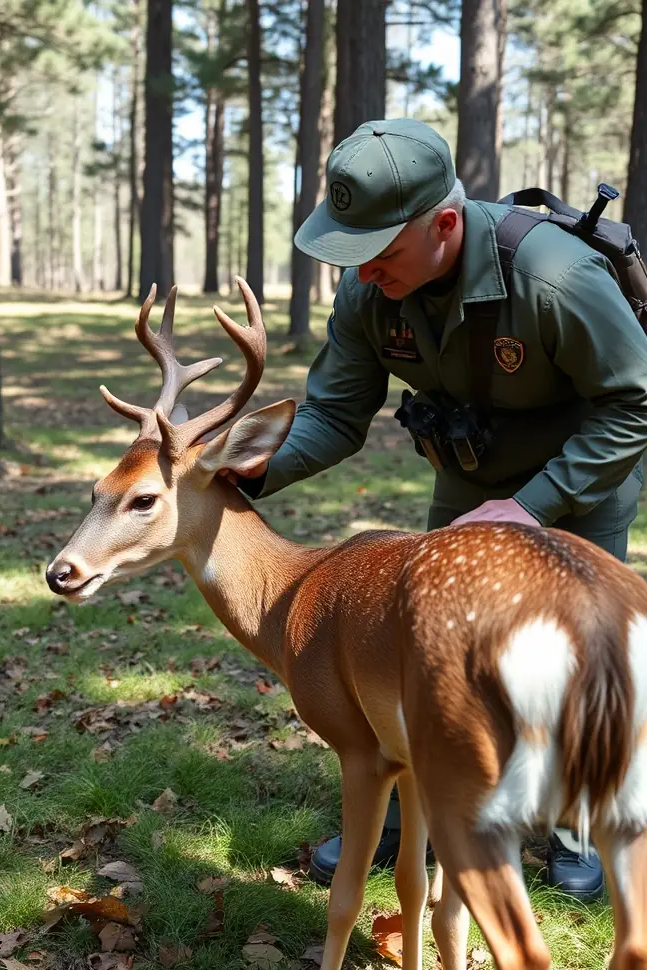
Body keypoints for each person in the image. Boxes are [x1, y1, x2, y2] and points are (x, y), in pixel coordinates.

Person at [227, 118, 647, 902]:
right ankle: (396, 817)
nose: (365, 273)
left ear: (445, 225)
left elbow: (631, 404)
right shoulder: (369, 291)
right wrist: (248, 475)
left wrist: (529, 510)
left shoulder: (552, 274)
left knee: (574, 653)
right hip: (468, 475)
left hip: (582, 479)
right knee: (437, 654)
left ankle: (567, 825)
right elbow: (335, 414)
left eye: (380, 254)